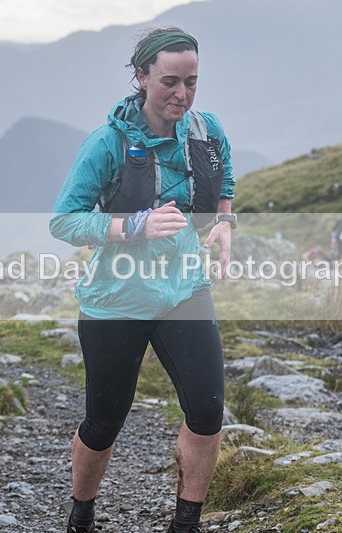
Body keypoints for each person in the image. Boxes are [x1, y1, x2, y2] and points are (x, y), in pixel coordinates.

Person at [49, 27, 235, 533]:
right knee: (104, 422)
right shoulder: (105, 145)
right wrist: (133, 225)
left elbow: (225, 174)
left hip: (184, 291)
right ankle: (81, 514)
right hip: (117, 298)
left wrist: (223, 221)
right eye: (170, 81)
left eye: (192, 81)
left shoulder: (206, 128)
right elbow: (63, 221)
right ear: (141, 77)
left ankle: (185, 524)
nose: (182, 93)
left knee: (207, 411)